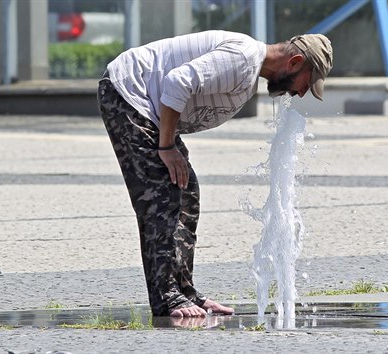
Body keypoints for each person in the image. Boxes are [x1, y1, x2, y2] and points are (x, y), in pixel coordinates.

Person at [97, 30, 333, 318]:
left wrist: (170, 146)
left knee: (186, 194)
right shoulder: (242, 59)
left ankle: (184, 291)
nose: (300, 93)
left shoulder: (248, 71)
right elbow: (177, 82)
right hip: (128, 93)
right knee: (163, 194)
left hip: (146, 106)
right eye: (306, 83)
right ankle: (167, 298)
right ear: (295, 62)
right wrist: (167, 146)